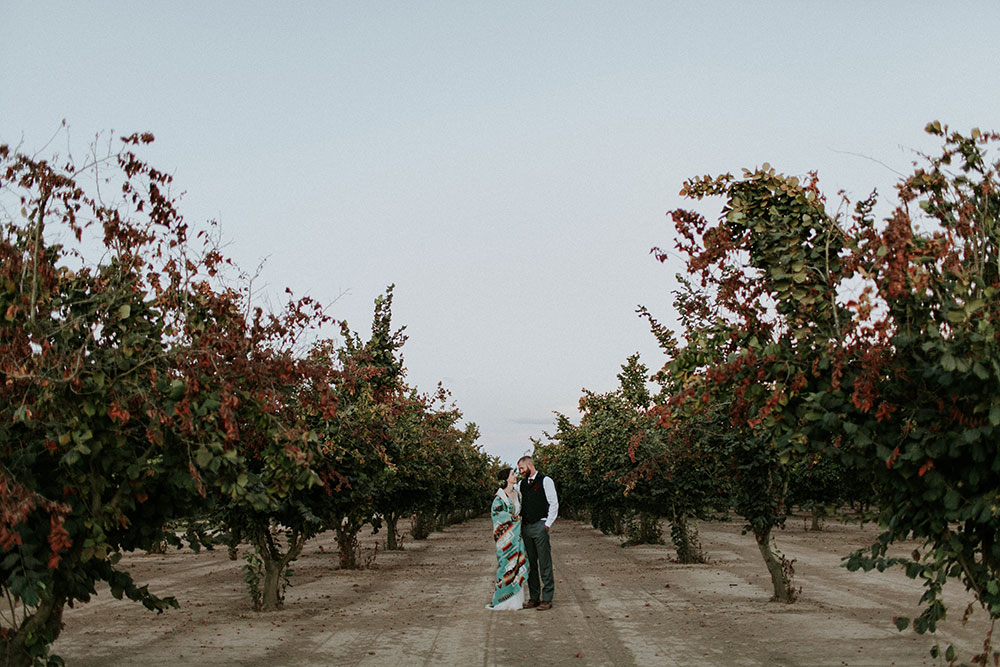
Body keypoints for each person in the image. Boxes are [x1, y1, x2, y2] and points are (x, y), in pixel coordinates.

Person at [517, 455, 558, 611]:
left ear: (529, 465)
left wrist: (547, 524)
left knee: (545, 562)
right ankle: (534, 597)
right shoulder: (521, 484)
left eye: (522, 468)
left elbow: (554, 503)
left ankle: (547, 598)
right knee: (531, 563)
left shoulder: (546, 481)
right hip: (525, 527)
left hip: (540, 525)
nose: (520, 471)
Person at [486, 467, 527, 610]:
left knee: (518, 565)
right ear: (506, 478)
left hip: (518, 536)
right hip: (506, 539)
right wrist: (513, 518)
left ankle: (516, 600)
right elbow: (497, 515)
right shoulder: (500, 497)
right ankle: (502, 600)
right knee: (506, 566)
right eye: (512, 474)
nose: (515, 476)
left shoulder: (517, 494)